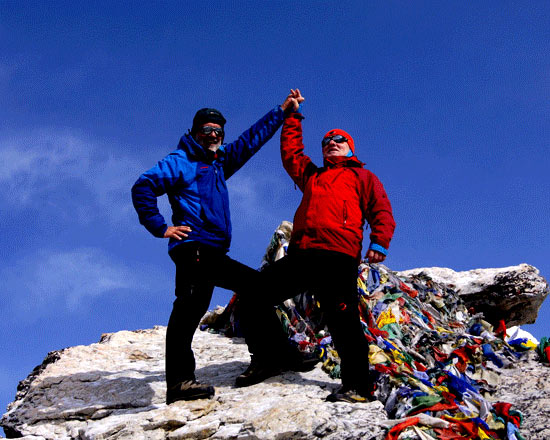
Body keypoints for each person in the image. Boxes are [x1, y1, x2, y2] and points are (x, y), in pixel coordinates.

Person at [131, 93, 301, 404]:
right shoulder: (181, 161)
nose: (213, 136)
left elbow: (250, 142)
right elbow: (143, 186)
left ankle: (183, 382)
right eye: (207, 130)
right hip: (195, 249)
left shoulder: (218, 163)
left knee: (189, 311)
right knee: (253, 288)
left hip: (209, 251)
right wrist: (160, 227)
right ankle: (272, 356)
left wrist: (281, 111)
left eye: (218, 132)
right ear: (195, 132)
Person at [237, 90, 396, 403]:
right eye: (326, 142)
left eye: (338, 140)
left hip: (339, 256)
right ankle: (271, 357)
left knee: (344, 321)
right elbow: (291, 154)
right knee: (253, 295)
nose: (331, 143)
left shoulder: (363, 177)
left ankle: (356, 387)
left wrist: (379, 241)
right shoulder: (313, 176)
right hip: (304, 254)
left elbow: (381, 210)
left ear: (350, 147)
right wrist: (293, 115)